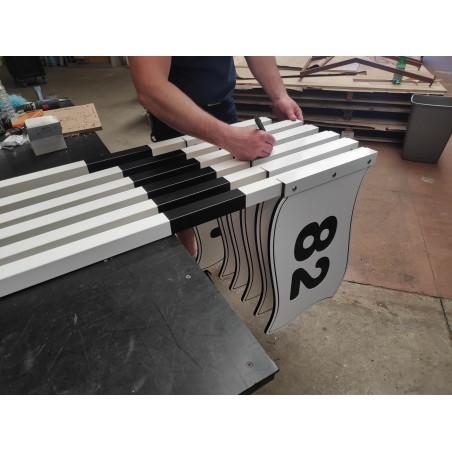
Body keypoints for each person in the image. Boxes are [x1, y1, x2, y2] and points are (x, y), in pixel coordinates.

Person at [128, 56, 303, 256]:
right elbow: (150, 88)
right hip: (176, 119)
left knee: (232, 206)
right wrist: (228, 137)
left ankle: (227, 255)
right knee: (185, 207)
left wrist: (279, 95)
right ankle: (192, 257)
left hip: (223, 106)